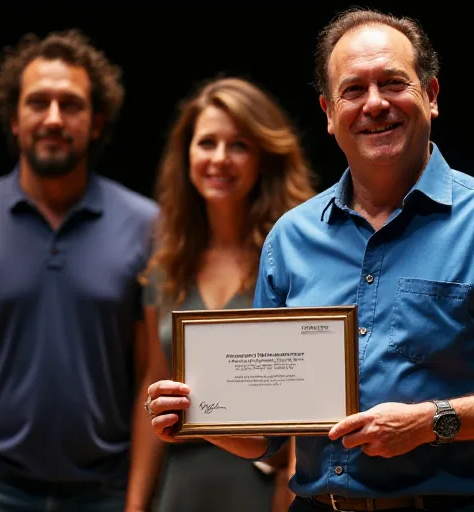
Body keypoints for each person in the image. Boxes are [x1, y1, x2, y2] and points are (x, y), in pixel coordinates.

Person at [146, 7, 474, 512]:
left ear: (431, 95)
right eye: (353, 90)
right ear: (329, 113)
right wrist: (196, 415)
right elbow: (268, 435)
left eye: (393, 83)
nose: (374, 104)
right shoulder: (291, 239)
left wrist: (431, 422)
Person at [0, 29, 161, 512]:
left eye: (71, 105)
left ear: (96, 122)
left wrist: (135, 504)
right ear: (14, 118)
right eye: (38, 102)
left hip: (106, 492)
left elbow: (150, 375)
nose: (53, 118)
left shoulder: (146, 227)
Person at [140, 77, 315, 512]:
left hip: (266, 486)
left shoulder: (296, 256)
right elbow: (152, 384)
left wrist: (293, 488)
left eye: (238, 145)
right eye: (207, 143)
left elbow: (313, 392)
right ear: (187, 154)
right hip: (180, 487)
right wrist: (134, 503)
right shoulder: (167, 264)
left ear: (263, 158)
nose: (219, 158)